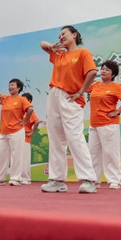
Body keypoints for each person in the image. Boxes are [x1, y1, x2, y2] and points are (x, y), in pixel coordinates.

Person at [39, 26, 98, 194]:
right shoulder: (59, 54)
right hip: (54, 95)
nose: (61, 37)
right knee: (56, 138)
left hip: (71, 97)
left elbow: (92, 72)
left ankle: (89, 179)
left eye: (64, 34)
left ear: (74, 35)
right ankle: (57, 180)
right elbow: (42, 44)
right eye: (59, 35)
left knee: (74, 137)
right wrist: (52, 46)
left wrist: (81, 91)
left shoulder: (82, 53)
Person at [87, 61, 121, 189]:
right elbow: (84, 87)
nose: (103, 71)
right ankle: (94, 179)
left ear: (113, 74)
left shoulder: (116, 87)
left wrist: (118, 111)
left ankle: (114, 180)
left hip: (108, 124)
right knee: (93, 153)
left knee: (110, 152)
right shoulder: (95, 85)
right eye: (102, 69)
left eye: (107, 70)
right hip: (94, 124)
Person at [0, 79, 33, 186]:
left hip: (16, 131)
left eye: (12, 85)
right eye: (9, 85)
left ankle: (15, 178)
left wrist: (25, 121)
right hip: (4, 131)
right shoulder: (6, 98)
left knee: (16, 155)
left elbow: (30, 109)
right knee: (1, 156)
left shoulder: (21, 100)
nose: (10, 87)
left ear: (18, 88)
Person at [19, 93, 40, 185]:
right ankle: (18, 177)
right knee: (18, 158)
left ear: (29, 101)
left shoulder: (29, 112)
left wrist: (32, 132)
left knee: (25, 158)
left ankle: (26, 178)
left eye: (24, 99)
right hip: (17, 137)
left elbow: (37, 121)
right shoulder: (20, 112)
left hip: (25, 138)